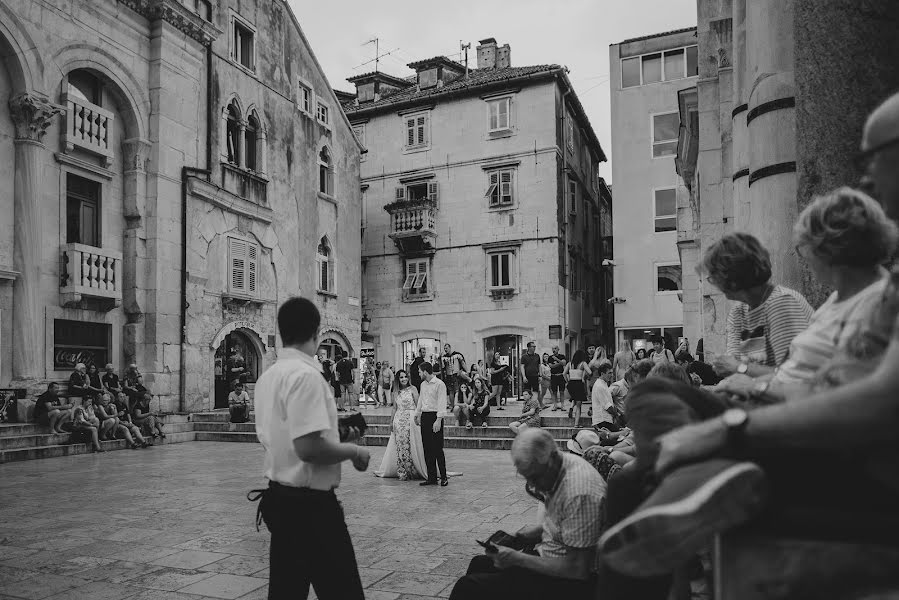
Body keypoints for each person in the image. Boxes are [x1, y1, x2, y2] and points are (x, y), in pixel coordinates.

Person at [598, 91, 899, 578]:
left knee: (641, 459)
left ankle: (693, 484)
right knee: (655, 398)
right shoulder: (839, 308)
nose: (866, 175)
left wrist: (738, 400)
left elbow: (857, 393)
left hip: (793, 415)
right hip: (781, 404)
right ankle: (684, 482)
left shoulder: (806, 305)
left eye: (875, 159)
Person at [716, 187, 895, 402]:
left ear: (826, 248)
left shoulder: (880, 303)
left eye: (802, 247)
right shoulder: (837, 300)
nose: (803, 258)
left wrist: (754, 386)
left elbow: (836, 398)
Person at [250, 297, 370, 600]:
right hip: (312, 509)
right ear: (317, 333)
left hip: (281, 499)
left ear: (281, 332)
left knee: (286, 592)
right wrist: (354, 452)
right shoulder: (306, 377)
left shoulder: (267, 378)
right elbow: (308, 448)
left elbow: (280, 437)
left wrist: (336, 434)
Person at [449, 429, 605, 600]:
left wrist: (518, 559)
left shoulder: (578, 492)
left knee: (468, 587)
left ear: (551, 459)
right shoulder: (561, 466)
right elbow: (563, 524)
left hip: (572, 582)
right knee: (479, 564)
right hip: (555, 557)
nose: (533, 486)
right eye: (527, 478)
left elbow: (577, 569)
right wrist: (521, 538)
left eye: (535, 477)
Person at [703, 232, 814, 378]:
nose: (713, 282)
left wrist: (739, 367)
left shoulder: (782, 303)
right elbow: (731, 370)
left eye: (713, 276)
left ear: (731, 277)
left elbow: (794, 376)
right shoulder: (738, 312)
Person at [375, 369, 426, 480]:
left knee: (412, 444)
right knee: (400, 445)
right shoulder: (396, 392)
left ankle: (414, 469)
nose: (404, 379)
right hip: (399, 420)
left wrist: (419, 418)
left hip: (411, 419)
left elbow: (418, 405)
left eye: (405, 377)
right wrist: (391, 421)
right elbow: (394, 408)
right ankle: (403, 470)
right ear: (398, 379)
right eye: (401, 377)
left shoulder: (413, 389)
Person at [415, 362, 449, 486]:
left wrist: (439, 419)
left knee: (438, 448)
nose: (418, 374)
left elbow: (442, 402)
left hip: (435, 416)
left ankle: (444, 477)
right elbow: (420, 400)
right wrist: (417, 414)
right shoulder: (423, 385)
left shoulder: (440, 384)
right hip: (425, 416)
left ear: (425, 371)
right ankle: (432, 477)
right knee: (427, 448)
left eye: (419, 371)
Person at [563, 350, 591, 423]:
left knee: (574, 397)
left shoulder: (569, 363)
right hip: (579, 383)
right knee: (579, 406)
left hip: (571, 383)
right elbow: (590, 372)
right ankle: (576, 424)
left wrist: (567, 381)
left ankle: (571, 407)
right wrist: (584, 376)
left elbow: (564, 373)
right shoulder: (583, 363)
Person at [591, 362, 618, 430]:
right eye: (609, 373)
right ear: (602, 374)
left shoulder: (603, 384)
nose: (611, 375)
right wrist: (617, 415)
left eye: (612, 373)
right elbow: (607, 406)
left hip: (606, 419)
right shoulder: (599, 386)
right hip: (603, 420)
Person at [547, 346, 567, 411]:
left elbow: (564, 363)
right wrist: (560, 363)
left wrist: (556, 359)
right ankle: (555, 405)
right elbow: (551, 366)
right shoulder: (550, 357)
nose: (554, 350)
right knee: (554, 392)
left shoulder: (562, 356)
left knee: (562, 391)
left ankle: (562, 405)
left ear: (558, 349)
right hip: (553, 376)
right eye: (553, 349)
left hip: (561, 376)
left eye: (555, 348)